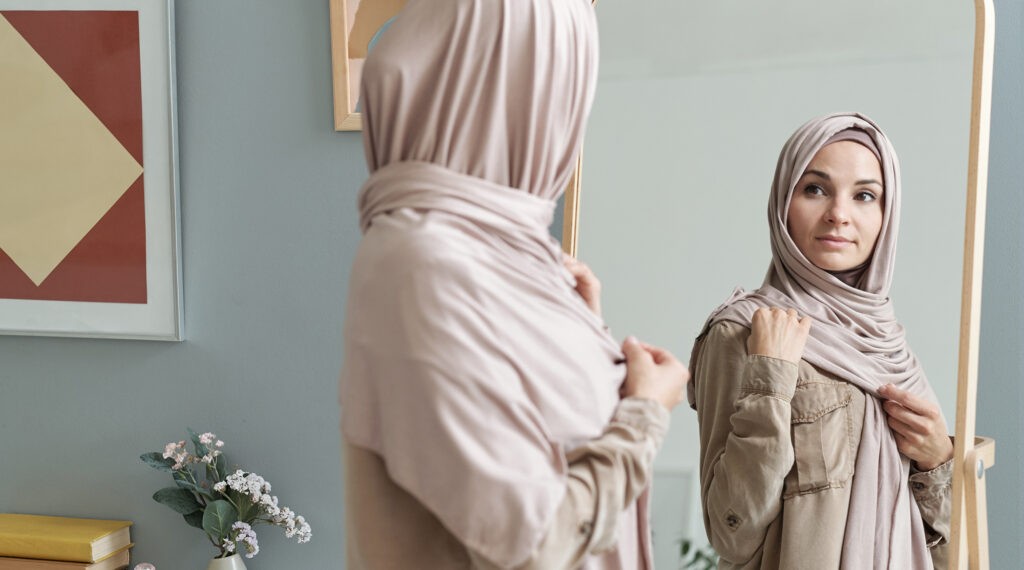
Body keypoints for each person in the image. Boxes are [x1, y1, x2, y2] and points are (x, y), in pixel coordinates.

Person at [338, 0, 690, 568]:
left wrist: (580, 334)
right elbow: (536, 546)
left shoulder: (509, 261)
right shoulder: (423, 264)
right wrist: (645, 412)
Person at [689, 113, 953, 569]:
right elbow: (732, 532)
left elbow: (940, 547)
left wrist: (935, 463)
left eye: (865, 196)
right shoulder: (743, 331)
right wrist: (769, 379)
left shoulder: (888, 347)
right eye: (815, 189)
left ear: (886, 218)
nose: (839, 214)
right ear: (782, 201)